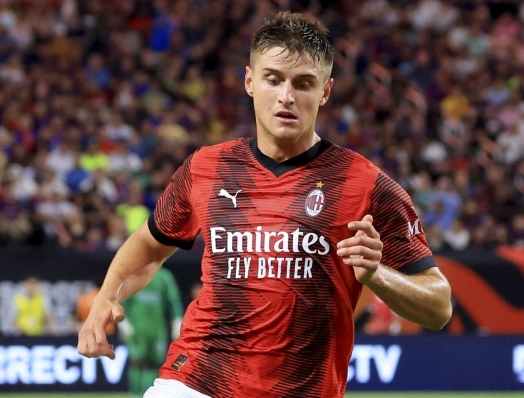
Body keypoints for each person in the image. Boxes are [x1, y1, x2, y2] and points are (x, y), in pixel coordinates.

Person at [78, 11, 452, 398]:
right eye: (273, 79)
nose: (286, 97)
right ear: (249, 81)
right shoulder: (206, 167)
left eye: (304, 84)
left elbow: (439, 307)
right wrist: (107, 296)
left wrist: (376, 275)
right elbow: (150, 245)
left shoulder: (368, 185)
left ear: (325, 91)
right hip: (195, 380)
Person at [117, 267, 184, 398]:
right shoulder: (133, 276)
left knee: (154, 364)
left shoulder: (164, 277)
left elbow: (174, 300)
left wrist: (177, 320)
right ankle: (135, 395)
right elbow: (122, 300)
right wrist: (122, 322)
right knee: (137, 362)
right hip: (136, 330)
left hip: (158, 329)